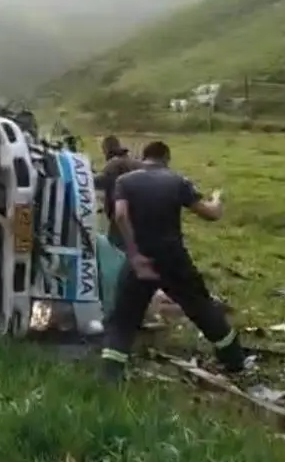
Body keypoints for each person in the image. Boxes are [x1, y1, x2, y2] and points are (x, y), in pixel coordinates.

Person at [100, 140, 249, 380]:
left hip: (140, 260)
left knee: (123, 318)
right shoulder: (177, 180)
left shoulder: (124, 182)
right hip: (173, 259)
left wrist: (134, 253)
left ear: (143, 157)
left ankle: (110, 375)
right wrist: (217, 199)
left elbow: (120, 215)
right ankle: (234, 362)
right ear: (166, 158)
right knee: (201, 307)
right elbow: (211, 214)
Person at [93, 135, 142, 250]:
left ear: (106, 149)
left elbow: (98, 182)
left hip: (120, 216)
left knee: (117, 249)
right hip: (141, 215)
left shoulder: (113, 165)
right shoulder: (136, 163)